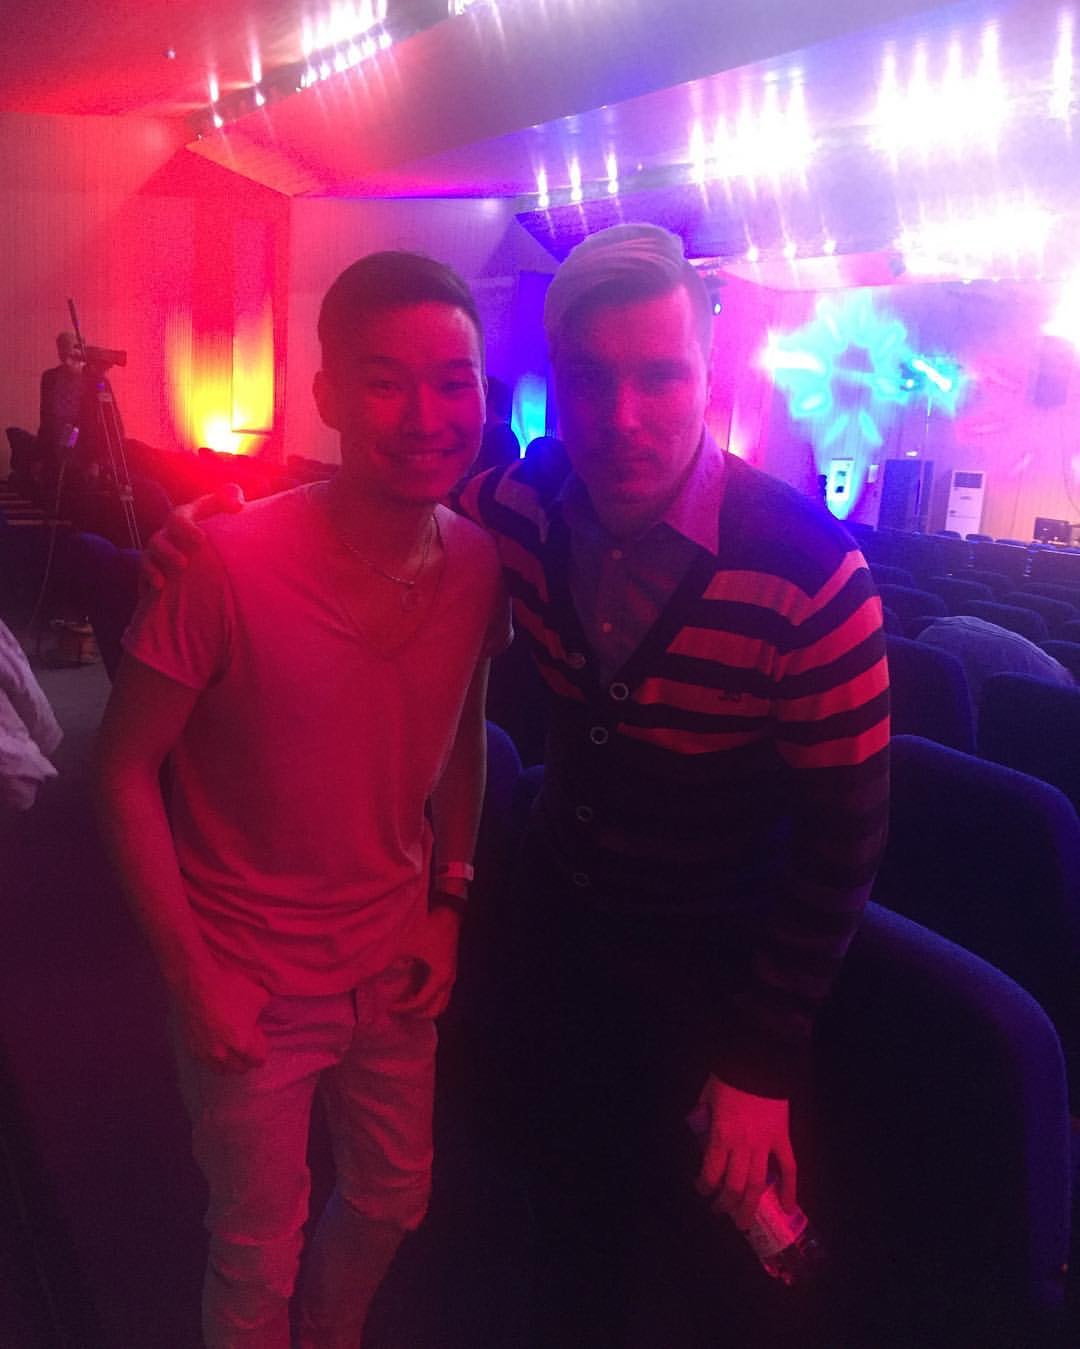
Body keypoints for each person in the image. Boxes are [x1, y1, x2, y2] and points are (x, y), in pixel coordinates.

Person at [146, 224, 889, 1346]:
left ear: (712, 372)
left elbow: (847, 837)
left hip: (716, 967)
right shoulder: (519, 511)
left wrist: (761, 1057)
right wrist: (206, 531)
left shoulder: (814, 573)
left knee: (702, 1271)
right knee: (561, 1220)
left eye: (660, 375)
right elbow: (379, 501)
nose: (622, 417)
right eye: (590, 379)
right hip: (561, 929)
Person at [95, 251, 510, 1349]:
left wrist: (450, 899)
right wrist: (191, 978)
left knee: (391, 1199)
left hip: (394, 966)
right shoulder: (221, 560)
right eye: (385, 381)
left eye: (454, 381)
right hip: (251, 981)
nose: (426, 415)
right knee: (254, 1254)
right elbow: (122, 768)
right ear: (326, 394)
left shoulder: (480, 564)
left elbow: (462, 734)